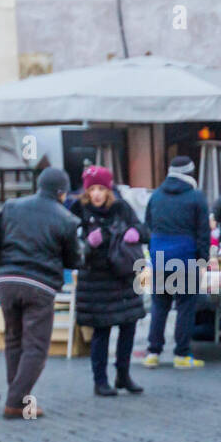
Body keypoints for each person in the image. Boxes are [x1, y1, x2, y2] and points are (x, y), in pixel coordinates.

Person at [0, 167, 80, 419]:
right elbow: (73, 259)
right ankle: (16, 403)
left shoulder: (11, 207)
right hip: (40, 286)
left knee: (14, 341)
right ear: (62, 192)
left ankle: (21, 402)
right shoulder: (67, 219)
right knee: (35, 347)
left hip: (7, 282)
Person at [69, 166, 149, 397]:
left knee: (128, 326)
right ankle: (100, 380)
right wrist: (87, 243)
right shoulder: (78, 210)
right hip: (95, 280)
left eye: (101, 189)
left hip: (123, 277)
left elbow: (144, 230)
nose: (96, 194)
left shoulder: (121, 207)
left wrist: (136, 232)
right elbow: (70, 247)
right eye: (92, 189)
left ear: (109, 189)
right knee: (101, 331)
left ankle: (123, 375)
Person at [143, 156, 210, 369]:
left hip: (160, 257)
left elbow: (148, 226)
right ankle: (181, 354)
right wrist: (203, 261)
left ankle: (153, 352)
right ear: (190, 174)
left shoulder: (156, 196)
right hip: (185, 256)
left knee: (159, 305)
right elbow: (203, 233)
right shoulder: (196, 197)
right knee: (185, 307)